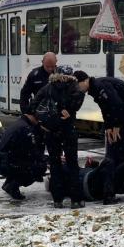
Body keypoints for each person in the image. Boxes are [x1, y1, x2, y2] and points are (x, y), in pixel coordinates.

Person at [73, 70, 124, 204]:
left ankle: (118, 189)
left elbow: (116, 105)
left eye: (78, 85)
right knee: (117, 151)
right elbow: (106, 110)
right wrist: (109, 128)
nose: (78, 89)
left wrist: (116, 126)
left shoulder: (100, 86)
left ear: (85, 80)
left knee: (117, 149)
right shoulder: (96, 87)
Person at [31, 68, 84, 208]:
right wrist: (68, 111)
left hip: (51, 130)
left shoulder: (47, 88)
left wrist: (43, 121)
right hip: (68, 130)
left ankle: (57, 199)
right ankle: (76, 199)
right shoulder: (74, 87)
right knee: (72, 163)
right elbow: (77, 103)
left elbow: (33, 106)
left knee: (55, 165)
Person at [0, 111, 47, 200]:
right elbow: (30, 153)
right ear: (32, 116)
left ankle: (10, 183)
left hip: (0, 160)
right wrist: (47, 160)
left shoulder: (20, 123)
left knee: (26, 164)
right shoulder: (25, 129)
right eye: (38, 119)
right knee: (39, 167)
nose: (39, 122)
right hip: (5, 162)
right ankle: (12, 186)